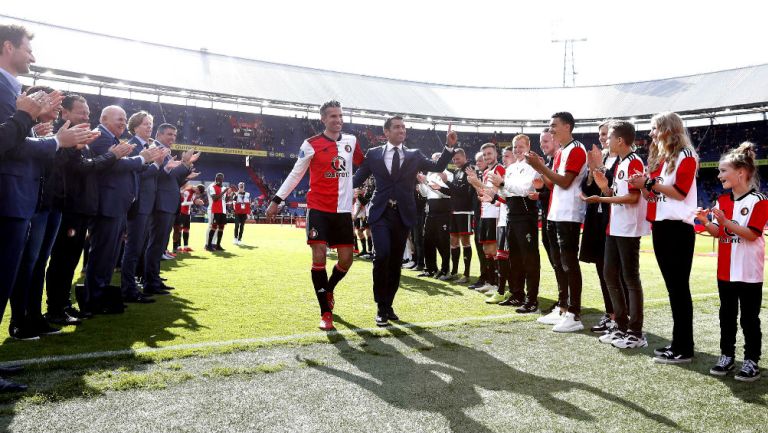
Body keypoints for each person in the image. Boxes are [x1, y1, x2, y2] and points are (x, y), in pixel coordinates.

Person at [267, 100, 364, 331]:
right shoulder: (311, 144)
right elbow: (295, 174)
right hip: (318, 208)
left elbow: (366, 165)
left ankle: (329, 289)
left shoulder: (351, 141)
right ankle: (325, 312)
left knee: (346, 260)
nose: (338, 120)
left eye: (340, 116)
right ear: (323, 119)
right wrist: (276, 200)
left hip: (343, 211)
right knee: (319, 256)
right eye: (333, 116)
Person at [353, 116, 457, 326]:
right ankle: (380, 306)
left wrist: (448, 146)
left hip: (402, 214)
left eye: (404, 127)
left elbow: (437, 166)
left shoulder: (414, 154)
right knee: (382, 255)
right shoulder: (373, 154)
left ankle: (388, 305)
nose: (402, 130)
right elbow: (357, 178)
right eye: (397, 127)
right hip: (381, 212)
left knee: (394, 262)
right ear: (386, 132)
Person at [44, 94, 131, 325]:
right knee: (62, 260)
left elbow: (87, 167)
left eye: (88, 113)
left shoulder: (81, 140)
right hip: (70, 208)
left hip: (81, 208)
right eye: (81, 112)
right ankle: (55, 308)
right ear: (66, 114)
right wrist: (112, 155)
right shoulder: (64, 140)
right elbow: (82, 168)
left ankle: (62, 305)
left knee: (70, 261)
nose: (86, 117)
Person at [628, 111, 698, 364]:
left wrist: (649, 183)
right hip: (662, 226)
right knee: (673, 289)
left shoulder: (686, 155)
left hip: (678, 228)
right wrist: (643, 186)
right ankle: (678, 343)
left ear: (668, 129)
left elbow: (679, 192)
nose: (651, 133)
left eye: (655, 128)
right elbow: (653, 197)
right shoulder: (663, 158)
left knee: (679, 289)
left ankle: (684, 347)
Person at [696, 142, 766, 381]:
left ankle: (751, 361)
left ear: (741, 172)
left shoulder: (759, 200)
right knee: (726, 317)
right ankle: (726, 356)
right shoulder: (722, 200)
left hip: (748, 272)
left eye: (723, 171)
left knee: (749, 319)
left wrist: (725, 223)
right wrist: (706, 221)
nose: (719, 175)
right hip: (725, 271)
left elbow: (752, 234)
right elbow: (718, 232)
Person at [84, 106, 162, 314]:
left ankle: (100, 297)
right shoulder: (101, 137)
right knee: (102, 255)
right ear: (104, 118)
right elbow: (116, 166)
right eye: (119, 118)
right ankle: (95, 299)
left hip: (117, 205)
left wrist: (143, 161)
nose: (122, 122)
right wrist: (142, 158)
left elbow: (123, 166)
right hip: (108, 205)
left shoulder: (114, 140)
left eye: (124, 118)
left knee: (109, 256)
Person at [581, 120, 650, 348]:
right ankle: (620, 327)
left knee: (630, 278)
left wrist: (602, 198)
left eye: (609, 137)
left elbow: (632, 197)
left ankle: (636, 332)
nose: (606, 141)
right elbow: (617, 194)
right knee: (610, 275)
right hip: (614, 227)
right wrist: (604, 188)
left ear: (620, 140)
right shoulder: (621, 163)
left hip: (628, 229)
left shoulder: (634, 162)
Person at [526, 112, 588, 333]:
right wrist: (539, 169)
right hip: (555, 213)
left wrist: (540, 167)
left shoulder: (577, 149)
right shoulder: (561, 152)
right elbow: (553, 185)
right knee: (559, 263)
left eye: (554, 125)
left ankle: (574, 313)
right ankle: (563, 308)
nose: (550, 129)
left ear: (567, 126)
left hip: (569, 214)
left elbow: (565, 182)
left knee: (569, 263)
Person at [488, 135, 542, 313]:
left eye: (520, 146)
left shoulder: (534, 166)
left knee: (530, 258)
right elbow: (506, 194)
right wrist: (500, 187)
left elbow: (526, 190)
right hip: (511, 214)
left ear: (528, 146)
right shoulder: (510, 168)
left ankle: (532, 299)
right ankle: (517, 294)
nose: (517, 150)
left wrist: (503, 183)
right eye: (515, 147)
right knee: (515, 258)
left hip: (526, 216)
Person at [144, 124, 197, 295]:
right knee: (155, 244)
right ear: (158, 134)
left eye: (174, 135)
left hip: (167, 202)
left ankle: (154, 278)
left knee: (159, 245)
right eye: (169, 134)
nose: (172, 138)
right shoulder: (158, 150)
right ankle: (150, 281)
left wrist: (185, 169)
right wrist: (185, 163)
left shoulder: (164, 151)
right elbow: (163, 176)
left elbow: (173, 180)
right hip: (160, 203)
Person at [120, 111, 162, 304]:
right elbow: (136, 173)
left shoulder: (147, 146)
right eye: (146, 124)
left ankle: (133, 285)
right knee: (133, 247)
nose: (149, 127)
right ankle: (128, 289)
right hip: (137, 204)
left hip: (146, 204)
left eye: (151, 123)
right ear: (135, 126)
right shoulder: (133, 146)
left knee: (138, 247)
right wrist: (156, 165)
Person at [466, 143, 505, 294]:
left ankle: (496, 283)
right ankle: (490, 281)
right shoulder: (487, 170)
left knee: (493, 250)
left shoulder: (499, 169)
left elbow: (495, 193)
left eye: (489, 154)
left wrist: (477, 183)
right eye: (485, 155)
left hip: (494, 214)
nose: (487, 157)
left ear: (496, 154)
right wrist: (475, 182)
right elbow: (483, 194)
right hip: (485, 213)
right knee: (486, 249)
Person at [433, 148, 474, 283]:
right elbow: (453, 192)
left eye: (458, 159)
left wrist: (447, 182)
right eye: (454, 159)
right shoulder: (456, 172)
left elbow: (464, 192)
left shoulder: (469, 170)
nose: (456, 162)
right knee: (454, 242)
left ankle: (466, 274)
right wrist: (440, 188)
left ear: (465, 157)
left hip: (464, 211)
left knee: (465, 241)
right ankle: (455, 272)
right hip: (454, 211)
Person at [418, 154, 452, 279]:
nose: (435, 162)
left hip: (443, 210)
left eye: (437, 159)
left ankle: (445, 270)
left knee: (442, 241)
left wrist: (426, 182)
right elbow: (424, 193)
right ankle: (430, 268)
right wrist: (421, 183)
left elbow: (445, 194)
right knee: (427, 240)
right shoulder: (431, 175)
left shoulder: (448, 175)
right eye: (433, 160)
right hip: (430, 210)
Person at [468, 151, 490, 289]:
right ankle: (484, 277)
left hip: (489, 215)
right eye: (477, 161)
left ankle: (490, 278)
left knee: (488, 250)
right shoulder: (480, 174)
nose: (478, 163)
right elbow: (477, 195)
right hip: (479, 214)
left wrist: (476, 183)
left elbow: (487, 193)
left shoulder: (491, 173)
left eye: (481, 160)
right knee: (480, 247)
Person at [206, 173, 228, 251]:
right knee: (213, 227)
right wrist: (224, 192)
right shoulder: (212, 187)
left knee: (221, 228)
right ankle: (208, 245)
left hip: (223, 210)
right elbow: (215, 198)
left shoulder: (224, 188)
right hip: (215, 210)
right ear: (215, 178)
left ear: (223, 179)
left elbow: (224, 200)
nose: (218, 180)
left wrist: (231, 195)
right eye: (217, 178)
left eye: (220, 178)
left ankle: (218, 245)